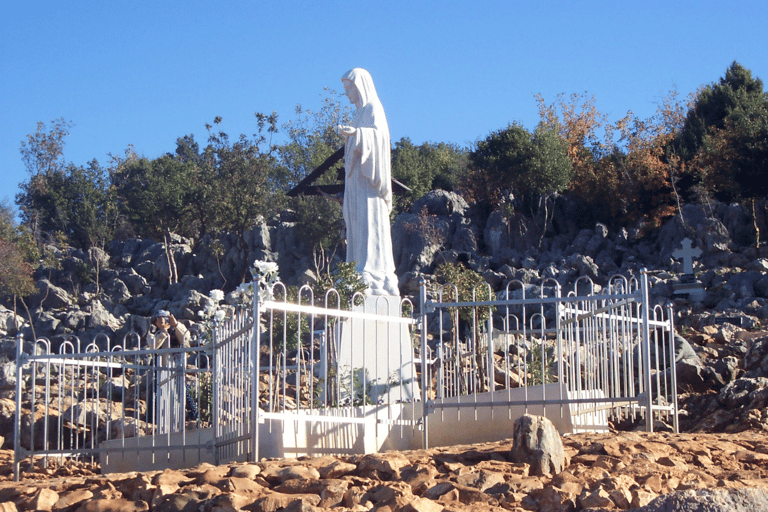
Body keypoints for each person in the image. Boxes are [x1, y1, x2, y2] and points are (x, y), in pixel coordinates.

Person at [337, 68, 400, 296]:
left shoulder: (373, 108)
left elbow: (380, 137)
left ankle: (373, 271)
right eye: (345, 89)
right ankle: (356, 269)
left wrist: (357, 133)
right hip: (355, 182)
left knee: (370, 223)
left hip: (369, 183)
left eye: (349, 88)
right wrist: (353, 133)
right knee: (356, 225)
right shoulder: (358, 113)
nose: (347, 94)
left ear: (360, 86)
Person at [148, 310, 197, 431]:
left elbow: (185, 339)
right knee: (154, 391)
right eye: (159, 320)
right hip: (161, 368)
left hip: (177, 367)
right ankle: (150, 418)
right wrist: (163, 334)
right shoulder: (153, 335)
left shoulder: (177, 331)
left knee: (183, 391)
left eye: (164, 319)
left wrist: (176, 325)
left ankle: (194, 415)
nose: (162, 321)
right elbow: (153, 346)